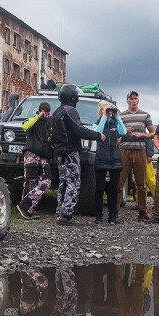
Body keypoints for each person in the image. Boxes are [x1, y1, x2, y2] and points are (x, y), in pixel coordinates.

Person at [51, 84, 104, 225]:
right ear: (72, 97)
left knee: (63, 182)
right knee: (73, 182)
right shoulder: (71, 111)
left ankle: (60, 212)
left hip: (59, 152)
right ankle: (66, 214)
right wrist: (98, 135)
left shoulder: (56, 112)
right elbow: (79, 130)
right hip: (70, 152)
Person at [117, 91, 156, 222]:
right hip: (125, 151)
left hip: (140, 151)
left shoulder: (145, 115)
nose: (133, 101)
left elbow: (153, 133)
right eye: (131, 99)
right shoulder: (121, 116)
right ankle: (115, 211)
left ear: (138, 101)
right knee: (120, 182)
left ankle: (142, 211)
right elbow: (116, 134)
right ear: (127, 100)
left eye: (135, 99)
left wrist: (143, 136)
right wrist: (122, 131)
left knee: (141, 184)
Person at [16, 102, 53, 219]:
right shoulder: (33, 120)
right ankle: (28, 210)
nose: (46, 116)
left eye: (48, 114)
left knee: (46, 180)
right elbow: (25, 127)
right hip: (31, 153)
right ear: (40, 110)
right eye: (45, 113)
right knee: (30, 181)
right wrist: (38, 116)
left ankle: (24, 205)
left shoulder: (49, 123)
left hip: (44, 155)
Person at [92, 101, 125, 224]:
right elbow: (99, 132)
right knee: (99, 188)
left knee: (114, 189)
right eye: (106, 110)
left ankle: (112, 215)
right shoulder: (96, 123)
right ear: (101, 111)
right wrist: (104, 118)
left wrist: (117, 116)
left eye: (110, 110)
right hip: (101, 157)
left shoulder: (115, 122)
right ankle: (98, 216)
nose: (109, 112)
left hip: (115, 158)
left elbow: (123, 132)